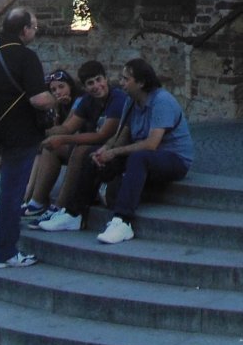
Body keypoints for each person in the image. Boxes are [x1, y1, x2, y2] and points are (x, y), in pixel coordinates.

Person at [42, 57, 193, 244]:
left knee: (138, 158)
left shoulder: (161, 101)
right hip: (144, 155)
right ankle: (74, 214)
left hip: (173, 158)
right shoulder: (131, 101)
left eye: (126, 79)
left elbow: (151, 144)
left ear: (141, 82)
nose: (121, 82)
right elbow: (123, 134)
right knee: (93, 155)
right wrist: (105, 150)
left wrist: (115, 152)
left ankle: (123, 220)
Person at [0, 6, 57, 269]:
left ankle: (4, 249)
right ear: (24, 30)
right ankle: (4, 252)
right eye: (35, 27)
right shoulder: (25, 57)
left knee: (9, 188)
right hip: (21, 131)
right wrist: (58, 99)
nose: (35, 32)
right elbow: (38, 99)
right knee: (12, 192)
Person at [24, 60, 129, 222]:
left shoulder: (118, 98)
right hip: (94, 146)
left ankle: (61, 207)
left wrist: (62, 139)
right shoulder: (88, 100)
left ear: (106, 79)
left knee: (79, 149)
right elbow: (68, 128)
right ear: (85, 87)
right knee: (52, 148)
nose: (96, 86)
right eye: (90, 83)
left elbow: (102, 135)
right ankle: (36, 203)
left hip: (112, 149)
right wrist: (42, 134)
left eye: (99, 80)